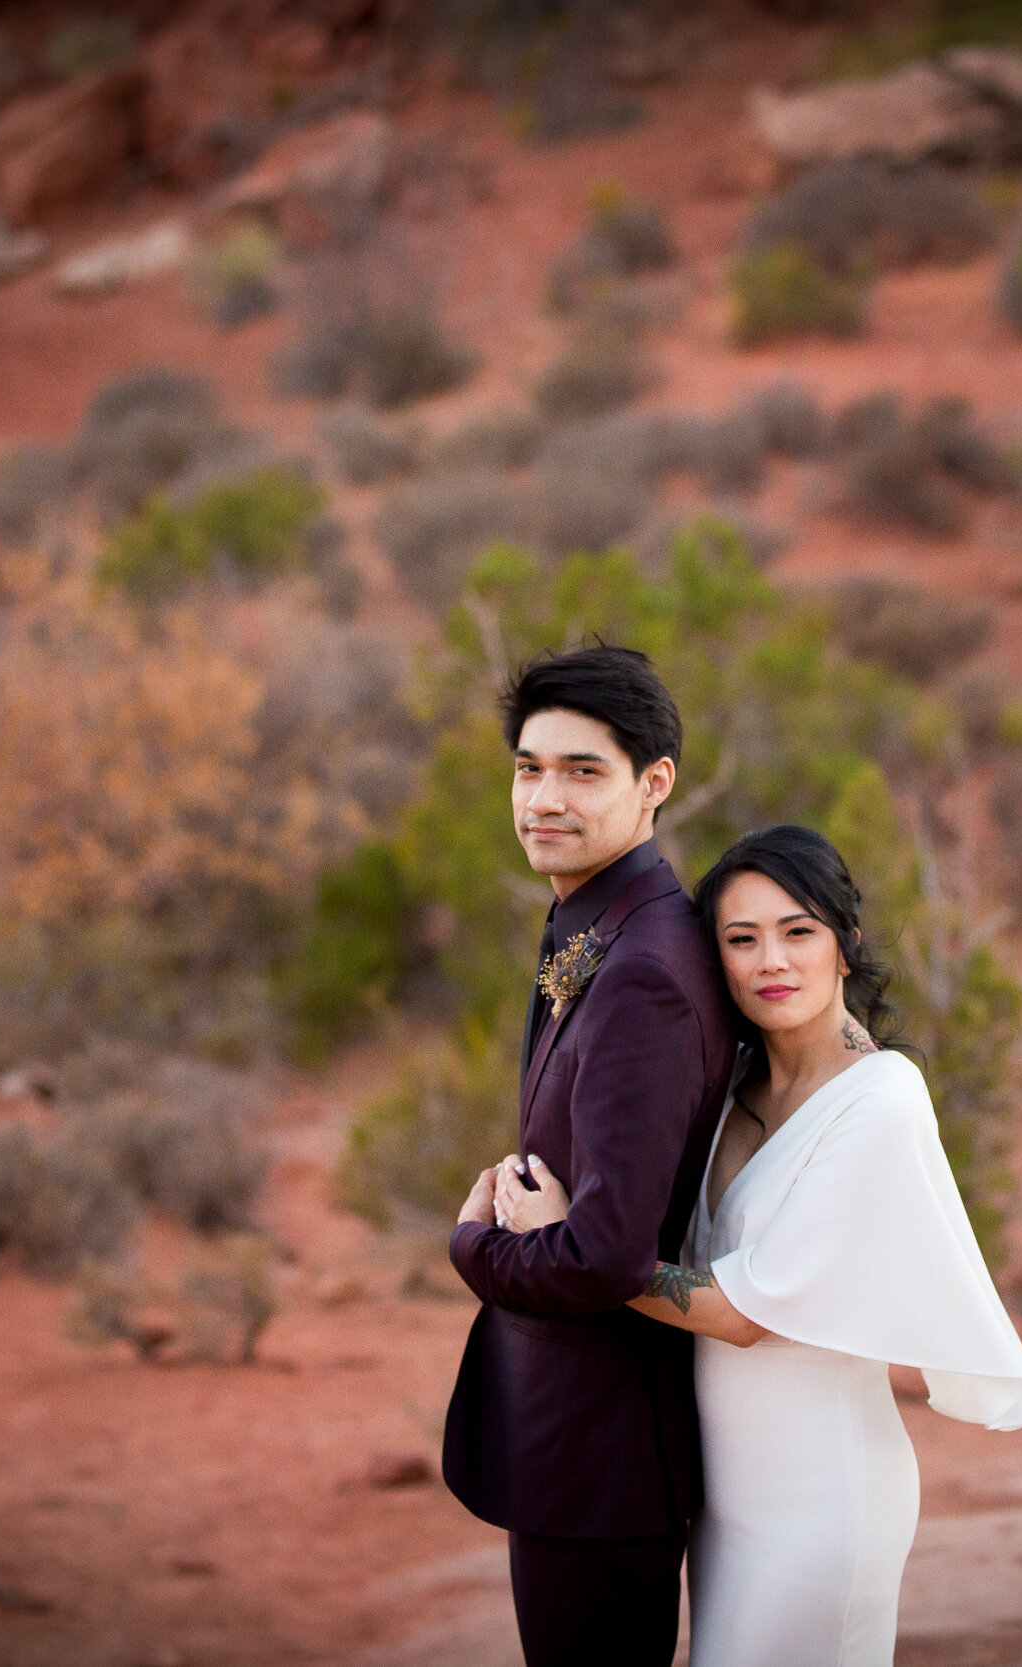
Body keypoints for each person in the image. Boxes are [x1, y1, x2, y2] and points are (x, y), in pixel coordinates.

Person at [496, 823, 1022, 1667]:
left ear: (845, 944)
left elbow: (743, 1314)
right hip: (728, 1496)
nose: (772, 962)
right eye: (741, 938)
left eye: (799, 932)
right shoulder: (733, 1080)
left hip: (821, 1499)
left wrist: (575, 1249)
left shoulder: (881, 1101)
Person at [441, 645, 739, 1667]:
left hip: (603, 1449)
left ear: (654, 782)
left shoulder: (645, 969)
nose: (543, 797)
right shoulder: (597, 924)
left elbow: (605, 1255)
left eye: (582, 770)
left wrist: (473, 1242)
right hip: (580, 1436)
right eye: (530, 767)